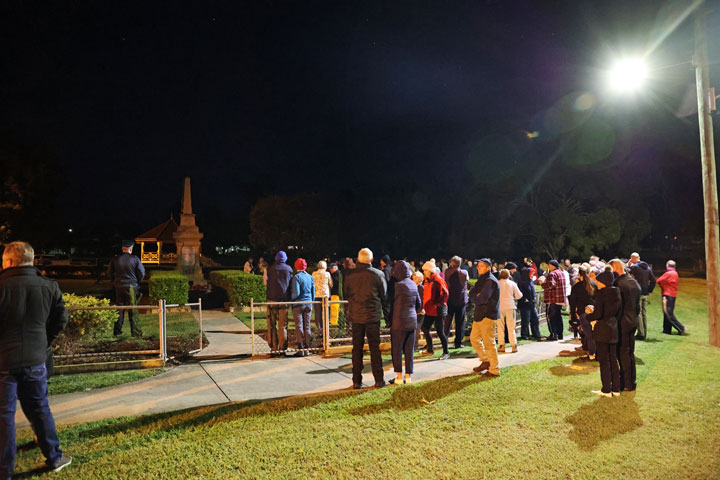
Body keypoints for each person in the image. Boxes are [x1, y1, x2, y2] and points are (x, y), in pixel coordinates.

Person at [0, 241, 72, 476]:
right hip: (35, 359)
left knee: (4, 416)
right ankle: (54, 457)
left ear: (9, 261)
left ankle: (4, 470)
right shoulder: (48, 286)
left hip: (3, 362)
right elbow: (60, 318)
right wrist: (43, 342)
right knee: (40, 409)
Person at [343, 248, 388, 389]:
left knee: (357, 348)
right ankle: (379, 380)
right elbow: (384, 295)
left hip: (356, 316)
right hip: (372, 316)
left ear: (358, 259)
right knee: (375, 349)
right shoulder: (378, 274)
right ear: (371, 259)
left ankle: (356, 380)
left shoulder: (350, 276)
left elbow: (346, 294)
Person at [586, 270, 622, 397]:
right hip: (613, 328)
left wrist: (588, 316)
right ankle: (616, 389)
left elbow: (598, 314)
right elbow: (618, 312)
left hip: (602, 329)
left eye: (598, 281)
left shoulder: (602, 294)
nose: (596, 282)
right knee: (613, 359)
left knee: (604, 360)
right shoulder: (617, 293)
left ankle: (606, 389)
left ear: (603, 282)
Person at [609, 259, 641, 392]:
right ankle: (631, 381)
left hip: (622, 322)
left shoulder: (618, 283)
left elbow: (615, 306)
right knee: (629, 352)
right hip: (633, 320)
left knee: (622, 352)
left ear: (615, 268)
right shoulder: (633, 281)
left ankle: (625, 382)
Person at [389, 261, 422, 385]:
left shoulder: (397, 285)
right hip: (412, 321)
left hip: (398, 322)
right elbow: (419, 304)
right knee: (409, 350)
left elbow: (390, 304)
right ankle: (408, 376)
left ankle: (398, 376)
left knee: (397, 350)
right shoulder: (413, 285)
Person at [469, 258, 500, 376]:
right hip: (480, 315)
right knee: (474, 338)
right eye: (478, 266)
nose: (478, 268)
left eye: (481, 266)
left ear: (488, 268)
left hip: (487, 315)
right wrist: (475, 296)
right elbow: (472, 293)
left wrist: (476, 297)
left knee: (489, 343)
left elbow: (482, 298)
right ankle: (486, 361)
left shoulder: (490, 281)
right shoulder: (482, 280)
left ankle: (494, 369)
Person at [107, 240, 145, 337]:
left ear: (122, 249)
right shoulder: (135, 259)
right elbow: (141, 273)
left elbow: (109, 273)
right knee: (132, 309)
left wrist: (114, 281)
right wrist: (137, 281)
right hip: (132, 287)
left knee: (119, 309)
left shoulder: (115, 259)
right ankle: (135, 332)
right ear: (131, 249)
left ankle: (117, 331)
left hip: (119, 287)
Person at [265, 251, 293, 356]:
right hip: (284, 300)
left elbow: (265, 283)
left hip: (271, 300)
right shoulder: (289, 269)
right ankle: (282, 349)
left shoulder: (269, 269)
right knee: (283, 325)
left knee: (271, 324)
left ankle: (273, 348)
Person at [421, 261, 450, 359]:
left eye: (425, 270)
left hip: (438, 310)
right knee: (425, 328)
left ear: (430, 270)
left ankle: (446, 352)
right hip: (430, 309)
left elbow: (445, 294)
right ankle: (430, 349)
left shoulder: (438, 280)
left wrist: (437, 304)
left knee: (440, 332)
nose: (424, 272)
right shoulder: (427, 280)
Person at [569, 266, 596, 360]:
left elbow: (573, 303)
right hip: (594, 312)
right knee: (594, 333)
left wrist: (573, 317)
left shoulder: (577, 286)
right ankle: (596, 352)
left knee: (589, 334)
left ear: (579, 275)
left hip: (583, 313)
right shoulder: (594, 284)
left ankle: (592, 353)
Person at [628, 252, 656, 340]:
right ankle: (644, 332)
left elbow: (627, 274)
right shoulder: (647, 267)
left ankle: (641, 333)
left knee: (638, 313)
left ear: (632, 258)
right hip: (645, 293)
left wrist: (628, 265)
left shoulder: (634, 267)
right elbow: (653, 280)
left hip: (638, 293)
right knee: (643, 313)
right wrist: (649, 290)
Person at [290, 258, 315, 356]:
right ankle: (308, 346)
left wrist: (291, 299)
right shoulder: (310, 277)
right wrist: (311, 301)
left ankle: (301, 348)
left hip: (298, 304)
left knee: (299, 326)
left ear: (296, 266)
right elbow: (313, 292)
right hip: (309, 303)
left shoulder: (296, 277)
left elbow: (296, 293)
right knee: (307, 326)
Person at [444, 256, 469, 349]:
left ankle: (444, 340)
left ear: (452, 263)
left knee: (447, 321)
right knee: (460, 322)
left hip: (450, 299)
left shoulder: (447, 271)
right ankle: (458, 343)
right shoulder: (464, 272)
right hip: (461, 300)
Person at [540, 260, 567, 341]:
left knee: (551, 317)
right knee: (558, 317)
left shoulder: (552, 274)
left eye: (549, 265)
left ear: (552, 266)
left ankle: (553, 334)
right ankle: (560, 334)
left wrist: (542, 283)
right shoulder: (561, 273)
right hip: (560, 299)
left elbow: (551, 285)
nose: (548, 266)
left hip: (552, 299)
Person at [656, 260, 685, 334]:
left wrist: (662, 285)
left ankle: (680, 327)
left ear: (668, 265)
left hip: (667, 295)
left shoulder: (668, 273)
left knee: (668, 313)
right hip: (672, 295)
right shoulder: (675, 273)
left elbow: (659, 280)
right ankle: (667, 330)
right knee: (667, 313)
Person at [497, 269, 523, 353]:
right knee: (511, 327)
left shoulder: (497, 283)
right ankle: (513, 345)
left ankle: (502, 345)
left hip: (500, 307)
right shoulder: (512, 284)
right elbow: (519, 295)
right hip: (510, 306)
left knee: (500, 327)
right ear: (508, 276)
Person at [517, 267, 541, 340]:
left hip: (532, 304)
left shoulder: (530, 281)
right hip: (525, 304)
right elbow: (520, 293)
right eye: (531, 274)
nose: (532, 275)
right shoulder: (521, 282)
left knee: (535, 318)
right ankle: (525, 335)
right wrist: (525, 299)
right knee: (525, 320)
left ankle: (536, 333)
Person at [312, 260, 333, 336]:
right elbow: (330, 284)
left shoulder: (314, 274)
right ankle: (326, 328)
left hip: (316, 294)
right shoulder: (327, 274)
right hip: (325, 295)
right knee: (326, 312)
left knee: (318, 312)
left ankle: (319, 328)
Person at [412, 271, 425, 349]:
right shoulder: (412, 286)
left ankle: (414, 346)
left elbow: (423, 299)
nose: (413, 278)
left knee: (417, 329)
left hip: (419, 311)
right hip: (412, 310)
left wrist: (422, 308)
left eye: (415, 278)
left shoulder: (421, 288)